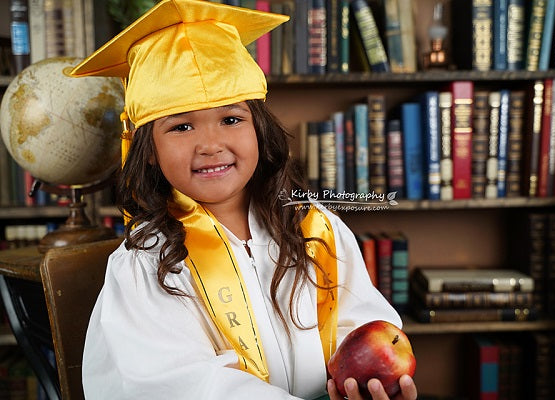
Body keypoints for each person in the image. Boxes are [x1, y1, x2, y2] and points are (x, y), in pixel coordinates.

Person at [71, 1, 418, 399]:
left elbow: (361, 323)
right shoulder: (147, 264)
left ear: (259, 128)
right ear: (148, 149)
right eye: (181, 126)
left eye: (231, 119)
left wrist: (366, 386)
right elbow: (183, 384)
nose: (211, 145)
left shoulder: (314, 227)